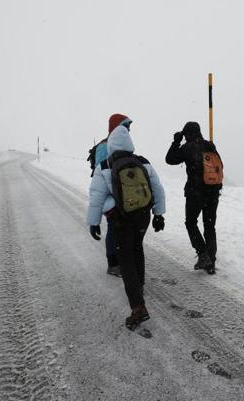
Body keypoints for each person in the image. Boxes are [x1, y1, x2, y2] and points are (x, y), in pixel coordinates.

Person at [87, 119, 166, 329]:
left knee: (126, 258)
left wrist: (94, 222)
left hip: (121, 219)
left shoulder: (104, 165)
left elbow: (96, 197)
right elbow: (158, 189)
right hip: (143, 216)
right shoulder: (143, 162)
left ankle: (138, 306)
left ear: (111, 144)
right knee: (138, 248)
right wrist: (159, 214)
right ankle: (138, 286)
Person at [165, 122, 223, 275]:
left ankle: (203, 255)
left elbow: (170, 159)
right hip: (213, 192)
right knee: (209, 226)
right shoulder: (210, 146)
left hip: (195, 193)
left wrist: (176, 141)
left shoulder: (187, 147)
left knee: (191, 223)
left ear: (187, 134)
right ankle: (210, 261)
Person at [86, 114, 133, 278]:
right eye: (126, 125)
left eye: (128, 126)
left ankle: (123, 261)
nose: (128, 129)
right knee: (114, 231)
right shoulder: (104, 147)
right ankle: (113, 264)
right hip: (111, 200)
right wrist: (96, 219)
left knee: (124, 232)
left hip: (124, 198)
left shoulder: (120, 144)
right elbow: (102, 176)